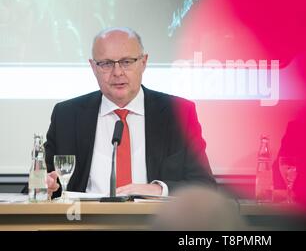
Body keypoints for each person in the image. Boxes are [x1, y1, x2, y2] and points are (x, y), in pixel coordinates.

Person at [45, 27, 216, 197]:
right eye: (106, 63)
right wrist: (46, 186)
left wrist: (158, 189)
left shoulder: (178, 113)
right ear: (93, 67)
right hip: (83, 221)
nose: (117, 72)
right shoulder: (66, 116)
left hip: (156, 221)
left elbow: (204, 186)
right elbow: (43, 183)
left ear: (143, 62)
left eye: (127, 62)